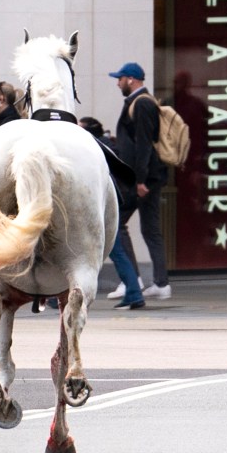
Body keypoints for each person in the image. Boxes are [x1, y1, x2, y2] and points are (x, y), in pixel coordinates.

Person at [107, 62, 171, 300]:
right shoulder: (141, 102)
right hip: (148, 177)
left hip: (141, 179)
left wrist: (140, 180)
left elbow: (144, 145)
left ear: (131, 79)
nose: (117, 83)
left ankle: (131, 279)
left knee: (117, 224)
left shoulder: (142, 103)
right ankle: (161, 284)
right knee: (150, 229)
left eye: (120, 78)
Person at [81, 116, 144, 310]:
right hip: (110, 206)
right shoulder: (106, 147)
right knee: (116, 251)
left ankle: (134, 292)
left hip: (107, 208)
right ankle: (134, 292)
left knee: (116, 251)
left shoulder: (96, 151)